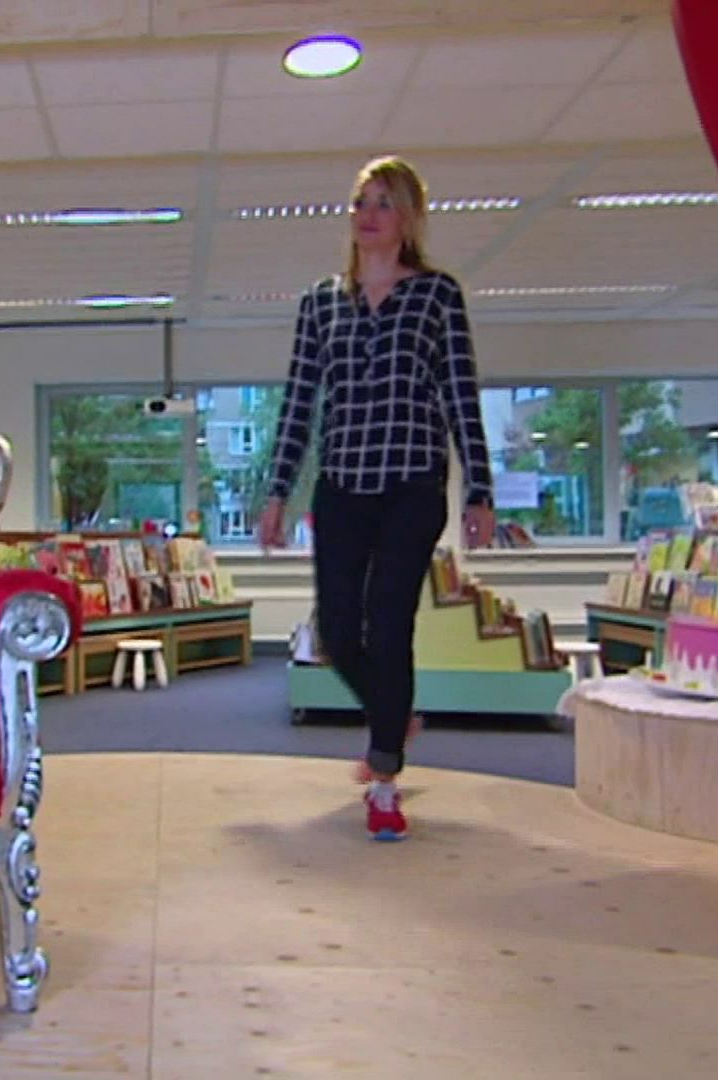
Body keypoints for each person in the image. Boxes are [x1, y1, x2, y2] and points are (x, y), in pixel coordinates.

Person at [257, 155, 496, 842]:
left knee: (389, 625)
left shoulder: (437, 296)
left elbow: (460, 394)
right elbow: (299, 402)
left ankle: (385, 779)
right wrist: (277, 491)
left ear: (409, 218)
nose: (368, 214)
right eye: (361, 201)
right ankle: (394, 714)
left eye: (385, 202)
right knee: (336, 632)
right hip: (342, 485)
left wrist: (479, 489)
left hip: (412, 485)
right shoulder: (320, 303)